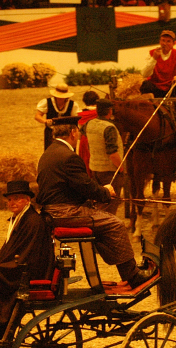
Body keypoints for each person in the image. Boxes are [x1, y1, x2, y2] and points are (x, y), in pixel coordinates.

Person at [36, 116, 156, 288]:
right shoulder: (69, 157)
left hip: (53, 211)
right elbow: (86, 187)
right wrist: (106, 192)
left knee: (102, 218)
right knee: (115, 223)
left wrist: (98, 192)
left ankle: (124, 267)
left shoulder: (48, 153)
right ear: (73, 132)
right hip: (65, 213)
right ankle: (132, 275)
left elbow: (72, 186)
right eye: (77, 132)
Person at [0, 180, 55, 337]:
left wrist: (0, 265)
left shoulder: (33, 221)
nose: (12, 203)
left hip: (25, 269)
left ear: (27, 199)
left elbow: (30, 254)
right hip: (17, 263)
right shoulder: (19, 219)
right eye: (10, 199)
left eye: (17, 198)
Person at [81, 98, 125, 215]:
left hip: (95, 169)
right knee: (110, 204)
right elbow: (112, 153)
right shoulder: (109, 128)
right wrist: (121, 168)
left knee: (99, 202)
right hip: (109, 171)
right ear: (110, 111)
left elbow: (83, 133)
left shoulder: (89, 124)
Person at [140, 30, 176, 98]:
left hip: (171, 87)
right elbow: (144, 74)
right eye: (163, 40)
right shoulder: (152, 53)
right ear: (159, 42)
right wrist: (154, 59)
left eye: (168, 41)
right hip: (155, 87)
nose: (165, 43)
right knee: (146, 84)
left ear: (173, 44)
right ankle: (150, 104)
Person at [34, 83, 81, 151]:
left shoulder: (72, 104)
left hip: (67, 134)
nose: (61, 98)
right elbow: (37, 116)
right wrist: (45, 121)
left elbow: (75, 119)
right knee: (50, 151)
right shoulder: (47, 102)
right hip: (51, 132)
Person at [77, 90, 99, 175]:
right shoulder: (100, 112)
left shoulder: (80, 113)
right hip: (97, 139)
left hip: (84, 140)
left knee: (86, 162)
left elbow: (79, 132)